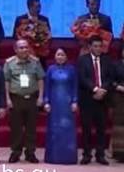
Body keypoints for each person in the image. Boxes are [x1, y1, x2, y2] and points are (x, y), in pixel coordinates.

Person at [4, 39, 45, 163]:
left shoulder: (35, 62)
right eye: (21, 48)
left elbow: (40, 79)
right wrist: (7, 98)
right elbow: (6, 81)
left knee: (31, 127)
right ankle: (16, 152)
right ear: (15, 49)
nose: (24, 50)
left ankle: (30, 152)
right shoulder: (9, 63)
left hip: (32, 98)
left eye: (26, 47)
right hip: (16, 98)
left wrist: (40, 97)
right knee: (16, 127)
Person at [77, 35, 113, 165]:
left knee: (101, 128)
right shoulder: (82, 60)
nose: (98, 49)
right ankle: (86, 154)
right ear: (90, 47)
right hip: (88, 98)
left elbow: (110, 77)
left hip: (103, 99)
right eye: (95, 46)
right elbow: (83, 78)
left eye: (100, 46)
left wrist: (102, 90)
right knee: (86, 128)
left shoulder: (107, 60)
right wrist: (95, 89)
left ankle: (100, 154)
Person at [43, 48, 78, 164]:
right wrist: (46, 101)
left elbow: (75, 86)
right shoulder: (50, 69)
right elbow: (47, 86)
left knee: (67, 130)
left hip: (67, 104)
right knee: (54, 129)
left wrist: (75, 101)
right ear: (55, 56)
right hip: (54, 103)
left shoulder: (72, 69)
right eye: (58, 55)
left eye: (62, 55)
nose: (60, 57)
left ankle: (68, 157)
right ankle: (53, 157)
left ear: (66, 57)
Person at [111, 43, 124, 162]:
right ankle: (119, 153)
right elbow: (111, 80)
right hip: (119, 96)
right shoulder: (116, 65)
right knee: (119, 124)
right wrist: (118, 87)